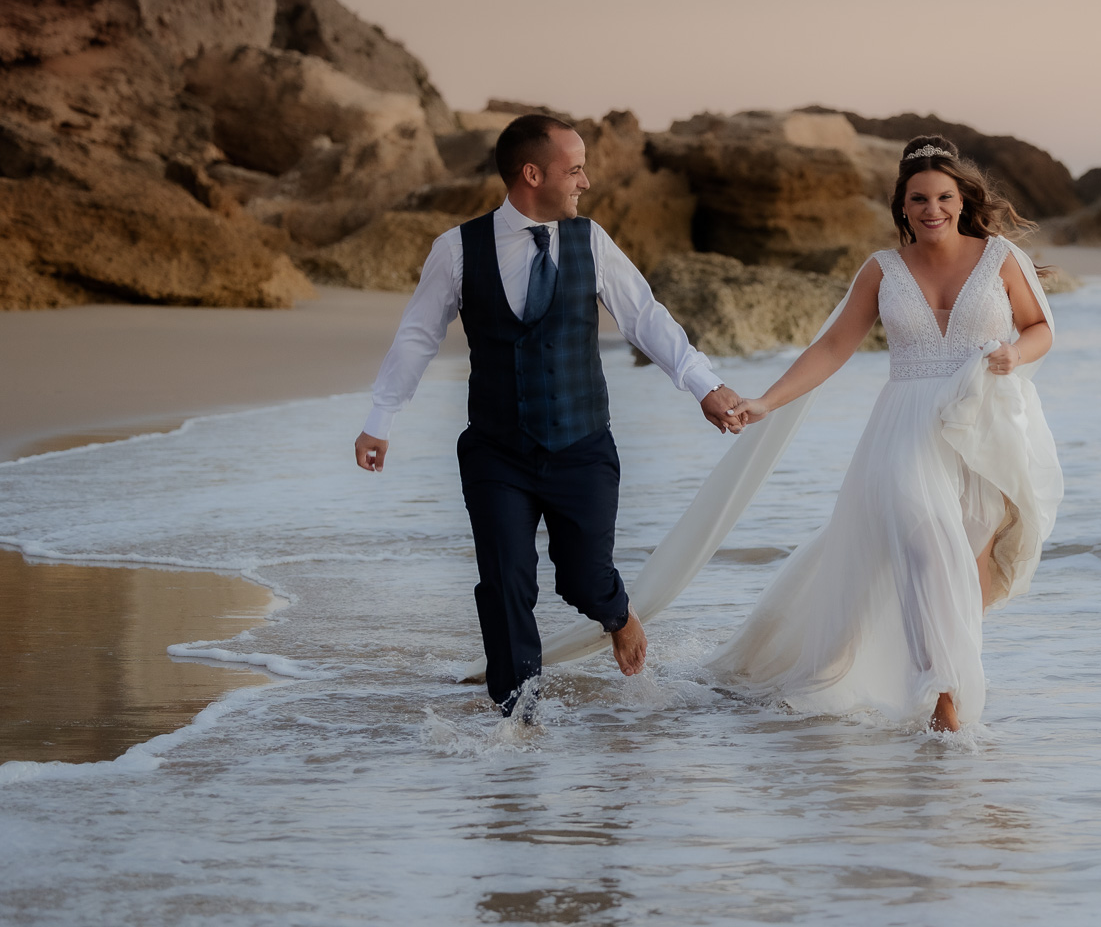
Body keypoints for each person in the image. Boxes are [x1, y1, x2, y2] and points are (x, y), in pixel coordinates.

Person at [352, 113, 744, 717]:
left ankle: (617, 613)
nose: (585, 182)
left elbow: (645, 317)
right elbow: (417, 336)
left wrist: (704, 386)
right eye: (575, 169)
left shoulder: (592, 241)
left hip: (582, 445)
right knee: (506, 581)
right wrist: (381, 417)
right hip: (496, 451)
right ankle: (519, 718)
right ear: (532, 174)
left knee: (584, 578)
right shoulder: (457, 249)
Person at [715, 136, 1063, 732]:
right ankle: (943, 703)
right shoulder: (883, 270)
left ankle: (946, 683)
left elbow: (1039, 328)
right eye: (919, 198)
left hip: (982, 424)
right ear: (902, 205)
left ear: (962, 199)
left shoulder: (999, 256)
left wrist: (1014, 353)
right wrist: (766, 401)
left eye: (944, 197)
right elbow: (832, 347)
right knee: (927, 550)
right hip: (905, 427)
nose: (933, 209)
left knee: (969, 565)